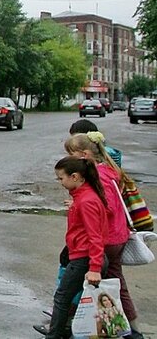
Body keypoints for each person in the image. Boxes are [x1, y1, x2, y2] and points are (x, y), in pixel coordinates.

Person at [65, 132, 143, 338]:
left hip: (106, 238)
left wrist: (80, 203)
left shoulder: (99, 175)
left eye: (72, 154)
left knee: (78, 283)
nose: (69, 159)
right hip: (118, 235)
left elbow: (104, 207)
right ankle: (132, 329)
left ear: (84, 154)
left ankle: (71, 325)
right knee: (116, 284)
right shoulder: (109, 170)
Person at [36, 156, 108, 339]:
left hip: (84, 258)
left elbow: (95, 236)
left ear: (74, 177)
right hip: (84, 256)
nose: (60, 182)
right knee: (73, 298)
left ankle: (55, 335)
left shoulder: (86, 201)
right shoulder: (84, 197)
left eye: (61, 178)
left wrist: (94, 268)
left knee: (62, 298)